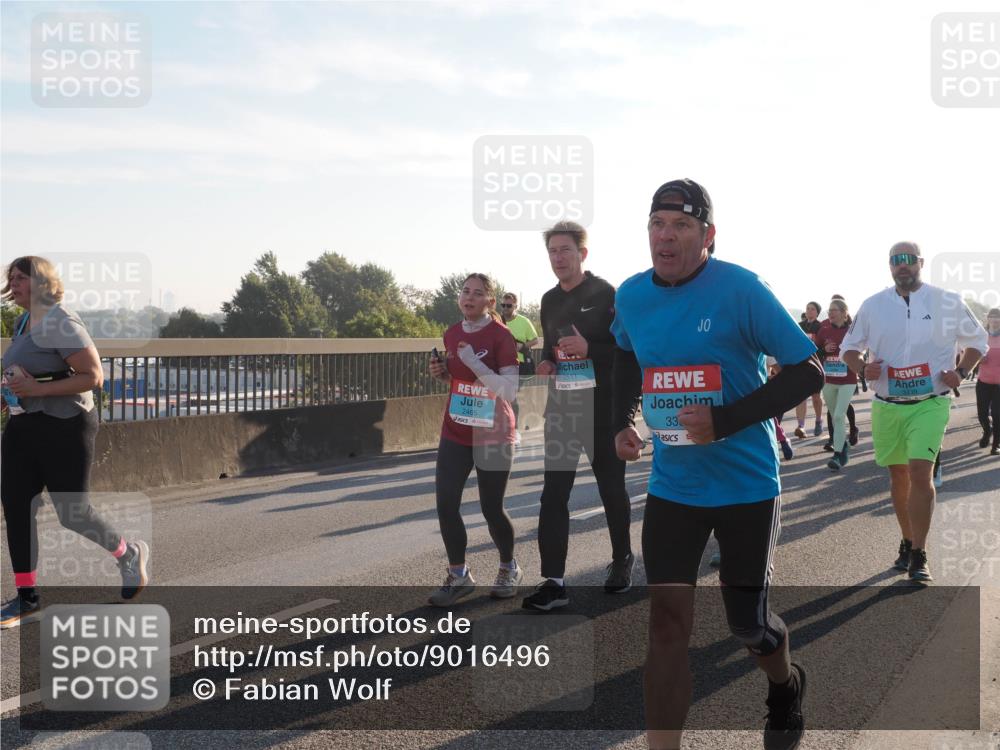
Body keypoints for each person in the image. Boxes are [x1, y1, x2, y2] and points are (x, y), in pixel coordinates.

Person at [611, 179, 823, 750]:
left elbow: (808, 370)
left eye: (681, 225)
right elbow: (627, 359)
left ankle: (784, 687)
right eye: (657, 223)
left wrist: (724, 420)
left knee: (747, 625)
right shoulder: (631, 295)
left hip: (746, 485)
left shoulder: (741, 289)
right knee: (666, 625)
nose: (666, 235)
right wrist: (623, 419)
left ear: (708, 236)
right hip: (673, 486)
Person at [1, 256, 150, 628]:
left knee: (73, 513)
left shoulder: (59, 320)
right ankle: (27, 597)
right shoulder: (22, 321)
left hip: (65, 426)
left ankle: (128, 553)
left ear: (42, 282)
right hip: (24, 426)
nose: (13, 283)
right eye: (11, 278)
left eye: (22, 277)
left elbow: (93, 375)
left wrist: (36, 387)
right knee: (16, 505)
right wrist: (11, 393)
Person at [840, 242, 987, 582]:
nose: (901, 266)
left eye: (908, 260)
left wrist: (961, 373)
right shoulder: (874, 305)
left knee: (920, 472)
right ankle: (907, 541)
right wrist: (862, 367)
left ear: (920, 262)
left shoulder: (946, 301)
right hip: (887, 405)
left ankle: (919, 553)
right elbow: (849, 347)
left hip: (930, 403)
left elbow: (977, 341)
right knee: (898, 476)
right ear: (889, 266)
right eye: (895, 260)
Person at [521, 221, 633, 612]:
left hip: (603, 411)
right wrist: (548, 363)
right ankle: (554, 582)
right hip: (563, 412)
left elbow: (625, 352)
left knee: (611, 491)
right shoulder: (549, 300)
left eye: (565, 250)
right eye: (552, 251)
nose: (557, 258)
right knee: (552, 496)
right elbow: (550, 348)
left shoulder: (605, 293)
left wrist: (591, 347)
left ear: (582, 254)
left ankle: (621, 560)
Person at [426, 273, 522, 606]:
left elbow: (508, 390)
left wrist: (472, 361)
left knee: (491, 508)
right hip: (456, 430)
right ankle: (459, 575)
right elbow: (460, 380)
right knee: (445, 503)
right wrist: (445, 375)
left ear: (489, 302)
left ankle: (509, 567)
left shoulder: (501, 336)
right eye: (465, 291)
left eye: (477, 293)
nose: (468, 297)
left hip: (493, 432)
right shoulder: (451, 333)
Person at [816, 298, 858, 471]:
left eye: (834, 310)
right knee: (835, 417)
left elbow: (860, 351)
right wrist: (824, 350)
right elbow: (814, 352)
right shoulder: (823, 330)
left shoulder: (852, 332)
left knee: (840, 415)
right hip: (829, 380)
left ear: (843, 312)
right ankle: (843, 448)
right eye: (829, 310)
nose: (830, 313)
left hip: (848, 379)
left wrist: (850, 355)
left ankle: (838, 453)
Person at [499, 292, 539, 443]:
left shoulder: (524, 321)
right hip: (500, 364)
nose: (505, 308)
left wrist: (522, 345)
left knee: (512, 396)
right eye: (503, 305)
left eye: (509, 306)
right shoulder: (497, 320)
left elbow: (535, 340)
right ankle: (503, 428)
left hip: (519, 364)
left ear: (516, 306)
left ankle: (513, 430)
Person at [793, 302, 823, 438]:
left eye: (812, 309)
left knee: (816, 397)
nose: (809, 311)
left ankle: (818, 420)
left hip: (816, 365)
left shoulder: (820, 326)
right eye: (807, 309)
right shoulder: (799, 326)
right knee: (801, 397)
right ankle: (801, 426)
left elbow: (822, 346)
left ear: (817, 312)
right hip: (801, 364)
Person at [975, 308, 1000, 455]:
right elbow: (969, 352)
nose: (996, 320)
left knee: (998, 415)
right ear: (988, 319)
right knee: (982, 414)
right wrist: (978, 359)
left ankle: (996, 445)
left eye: (998, 317)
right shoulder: (980, 335)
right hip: (984, 381)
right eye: (993, 317)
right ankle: (987, 430)